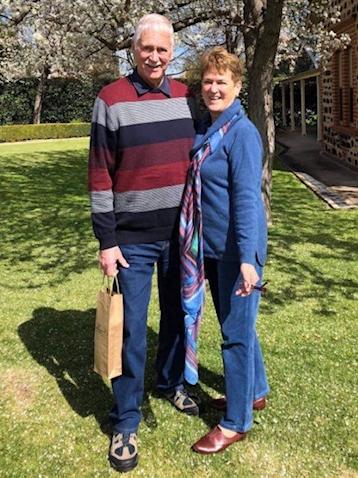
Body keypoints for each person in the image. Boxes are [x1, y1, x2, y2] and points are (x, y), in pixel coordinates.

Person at [88, 13, 199, 472]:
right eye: (146, 48)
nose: (154, 57)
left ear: (173, 53)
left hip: (181, 236)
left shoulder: (189, 98)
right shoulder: (110, 100)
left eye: (162, 49)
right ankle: (125, 421)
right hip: (131, 241)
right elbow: (98, 173)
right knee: (132, 329)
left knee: (177, 314)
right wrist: (106, 239)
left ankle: (170, 382)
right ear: (133, 50)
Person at [179, 46, 269, 454]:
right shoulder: (209, 128)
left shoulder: (243, 134)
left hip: (238, 253)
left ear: (237, 86)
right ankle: (255, 392)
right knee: (241, 328)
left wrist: (250, 261)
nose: (213, 88)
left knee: (234, 337)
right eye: (208, 81)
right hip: (211, 250)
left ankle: (235, 422)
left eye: (222, 82)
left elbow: (249, 200)